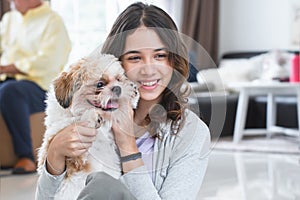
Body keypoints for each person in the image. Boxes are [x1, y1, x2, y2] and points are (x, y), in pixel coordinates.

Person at [36, 2, 210, 200]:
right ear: (116, 60)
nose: (148, 69)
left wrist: (127, 145)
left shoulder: (192, 133)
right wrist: (55, 153)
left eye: (160, 56)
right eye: (135, 58)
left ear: (173, 61)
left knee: (103, 186)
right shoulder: (87, 114)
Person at [0, 0, 71, 174]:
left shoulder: (53, 21)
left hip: (39, 86)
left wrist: (7, 67)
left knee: (10, 90)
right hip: (6, 81)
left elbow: (48, 61)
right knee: (7, 88)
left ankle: (27, 157)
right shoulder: (9, 19)